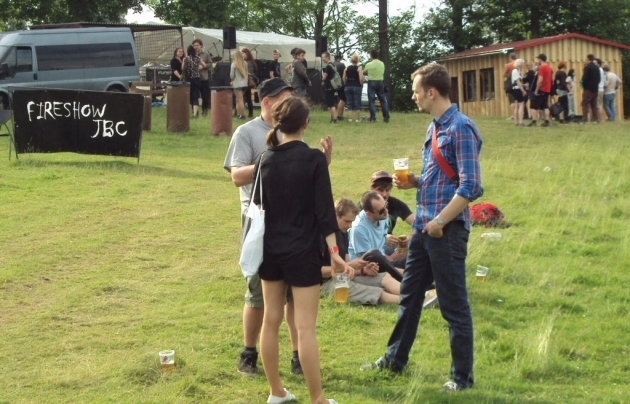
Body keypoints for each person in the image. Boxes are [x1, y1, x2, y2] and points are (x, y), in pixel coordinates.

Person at [365, 64, 483, 394]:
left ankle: (462, 378)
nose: (414, 96)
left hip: (446, 230)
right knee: (410, 295)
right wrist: (416, 181)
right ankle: (395, 360)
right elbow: (444, 177)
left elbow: (471, 186)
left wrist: (440, 221)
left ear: (432, 92)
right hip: (424, 228)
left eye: (417, 91)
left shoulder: (461, 128)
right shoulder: (435, 127)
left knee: (453, 304)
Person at [224, 78, 334, 379]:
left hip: (289, 228)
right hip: (261, 225)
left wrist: (307, 163)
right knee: (258, 298)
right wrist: (275, 163)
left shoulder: (289, 143)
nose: (289, 103)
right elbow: (236, 177)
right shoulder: (247, 133)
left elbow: (303, 183)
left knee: (292, 302)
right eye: (284, 98)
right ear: (268, 102)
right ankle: (249, 353)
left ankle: (296, 359)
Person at [254, 95, 348, 404]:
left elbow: (262, 206)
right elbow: (324, 212)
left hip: (270, 251)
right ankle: (318, 398)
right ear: (306, 124)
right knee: (305, 327)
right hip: (303, 252)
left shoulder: (266, 158)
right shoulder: (314, 159)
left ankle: (276, 392)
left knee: (270, 321)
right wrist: (335, 253)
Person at [320, 199, 402, 305]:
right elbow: (317, 272)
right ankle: (412, 301)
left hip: (342, 277)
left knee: (383, 277)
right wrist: (350, 265)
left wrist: (363, 271)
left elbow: (347, 267)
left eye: (352, 222)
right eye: (347, 221)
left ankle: (416, 295)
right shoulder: (321, 236)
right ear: (335, 215)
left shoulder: (343, 232)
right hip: (323, 283)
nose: (350, 226)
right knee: (370, 291)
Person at [363, 50, 391, 123]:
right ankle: (386, 117)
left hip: (371, 82)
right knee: (383, 100)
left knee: (372, 101)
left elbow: (364, 72)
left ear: (371, 55)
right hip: (380, 82)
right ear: (378, 55)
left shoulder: (368, 64)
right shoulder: (382, 64)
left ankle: (373, 117)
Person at [182, 45, 205, 119]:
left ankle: (188, 114)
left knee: (189, 96)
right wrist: (198, 68)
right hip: (197, 78)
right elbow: (204, 65)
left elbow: (183, 68)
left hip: (189, 79)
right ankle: (195, 114)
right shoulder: (198, 58)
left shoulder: (186, 58)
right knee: (196, 96)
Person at [193, 39, 212, 116]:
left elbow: (210, 64)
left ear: (201, 46)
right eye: (194, 46)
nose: (196, 47)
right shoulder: (192, 55)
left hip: (203, 78)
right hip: (194, 78)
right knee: (195, 96)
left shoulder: (206, 54)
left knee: (205, 96)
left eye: (197, 45)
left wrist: (203, 66)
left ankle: (205, 111)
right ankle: (195, 112)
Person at [343, 53, 364, 123]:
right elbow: (361, 78)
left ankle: (350, 118)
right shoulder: (359, 68)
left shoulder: (347, 68)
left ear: (351, 60)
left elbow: (344, 78)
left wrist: (346, 83)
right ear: (358, 60)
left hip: (348, 86)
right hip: (356, 86)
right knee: (357, 102)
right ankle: (358, 118)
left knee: (349, 102)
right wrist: (361, 84)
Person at [534, 54, 553, 127]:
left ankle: (535, 121)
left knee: (536, 105)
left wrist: (536, 89)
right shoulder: (549, 67)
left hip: (542, 88)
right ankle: (547, 120)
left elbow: (540, 79)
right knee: (545, 106)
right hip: (548, 89)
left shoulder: (542, 68)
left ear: (540, 59)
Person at [581, 54, 601, 123]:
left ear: (588, 59)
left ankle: (585, 119)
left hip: (588, 89)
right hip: (595, 88)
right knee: (594, 104)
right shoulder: (597, 67)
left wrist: (584, 86)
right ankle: (596, 119)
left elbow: (585, 78)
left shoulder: (588, 67)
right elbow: (599, 79)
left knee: (585, 103)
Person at [230, 50, 249, 120]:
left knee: (240, 100)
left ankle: (242, 115)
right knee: (239, 100)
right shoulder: (245, 63)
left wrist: (232, 81)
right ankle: (239, 114)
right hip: (245, 84)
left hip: (237, 84)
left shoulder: (234, 64)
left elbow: (231, 75)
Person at [321, 51, 338, 123]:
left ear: (327, 57)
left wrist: (322, 80)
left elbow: (325, 77)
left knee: (331, 103)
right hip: (333, 86)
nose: (322, 59)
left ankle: (335, 119)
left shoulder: (328, 66)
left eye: (323, 57)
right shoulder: (333, 65)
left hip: (329, 86)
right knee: (332, 102)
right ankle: (333, 117)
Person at [241, 47, 259, 118]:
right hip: (247, 81)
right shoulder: (250, 62)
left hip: (247, 82)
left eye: (243, 53)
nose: (242, 55)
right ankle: (250, 113)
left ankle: (244, 113)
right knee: (248, 98)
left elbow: (250, 73)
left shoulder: (248, 63)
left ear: (247, 53)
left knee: (243, 97)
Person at [510, 59, 527, 126]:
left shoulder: (519, 71)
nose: (524, 65)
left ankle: (516, 121)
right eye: (523, 63)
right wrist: (523, 90)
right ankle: (520, 122)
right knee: (521, 105)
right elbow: (518, 82)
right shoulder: (515, 71)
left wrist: (523, 85)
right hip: (517, 89)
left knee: (517, 105)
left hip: (516, 88)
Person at [504, 52, 518, 120]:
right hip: (517, 83)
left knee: (512, 100)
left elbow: (504, 74)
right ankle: (518, 114)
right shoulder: (518, 64)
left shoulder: (509, 65)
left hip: (510, 82)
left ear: (510, 58)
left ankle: (513, 115)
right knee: (517, 100)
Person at [333, 54, 347, 121]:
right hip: (341, 84)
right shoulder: (341, 65)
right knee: (342, 99)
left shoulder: (332, 64)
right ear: (340, 58)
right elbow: (345, 74)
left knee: (338, 100)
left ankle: (337, 115)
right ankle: (340, 115)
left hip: (333, 84)